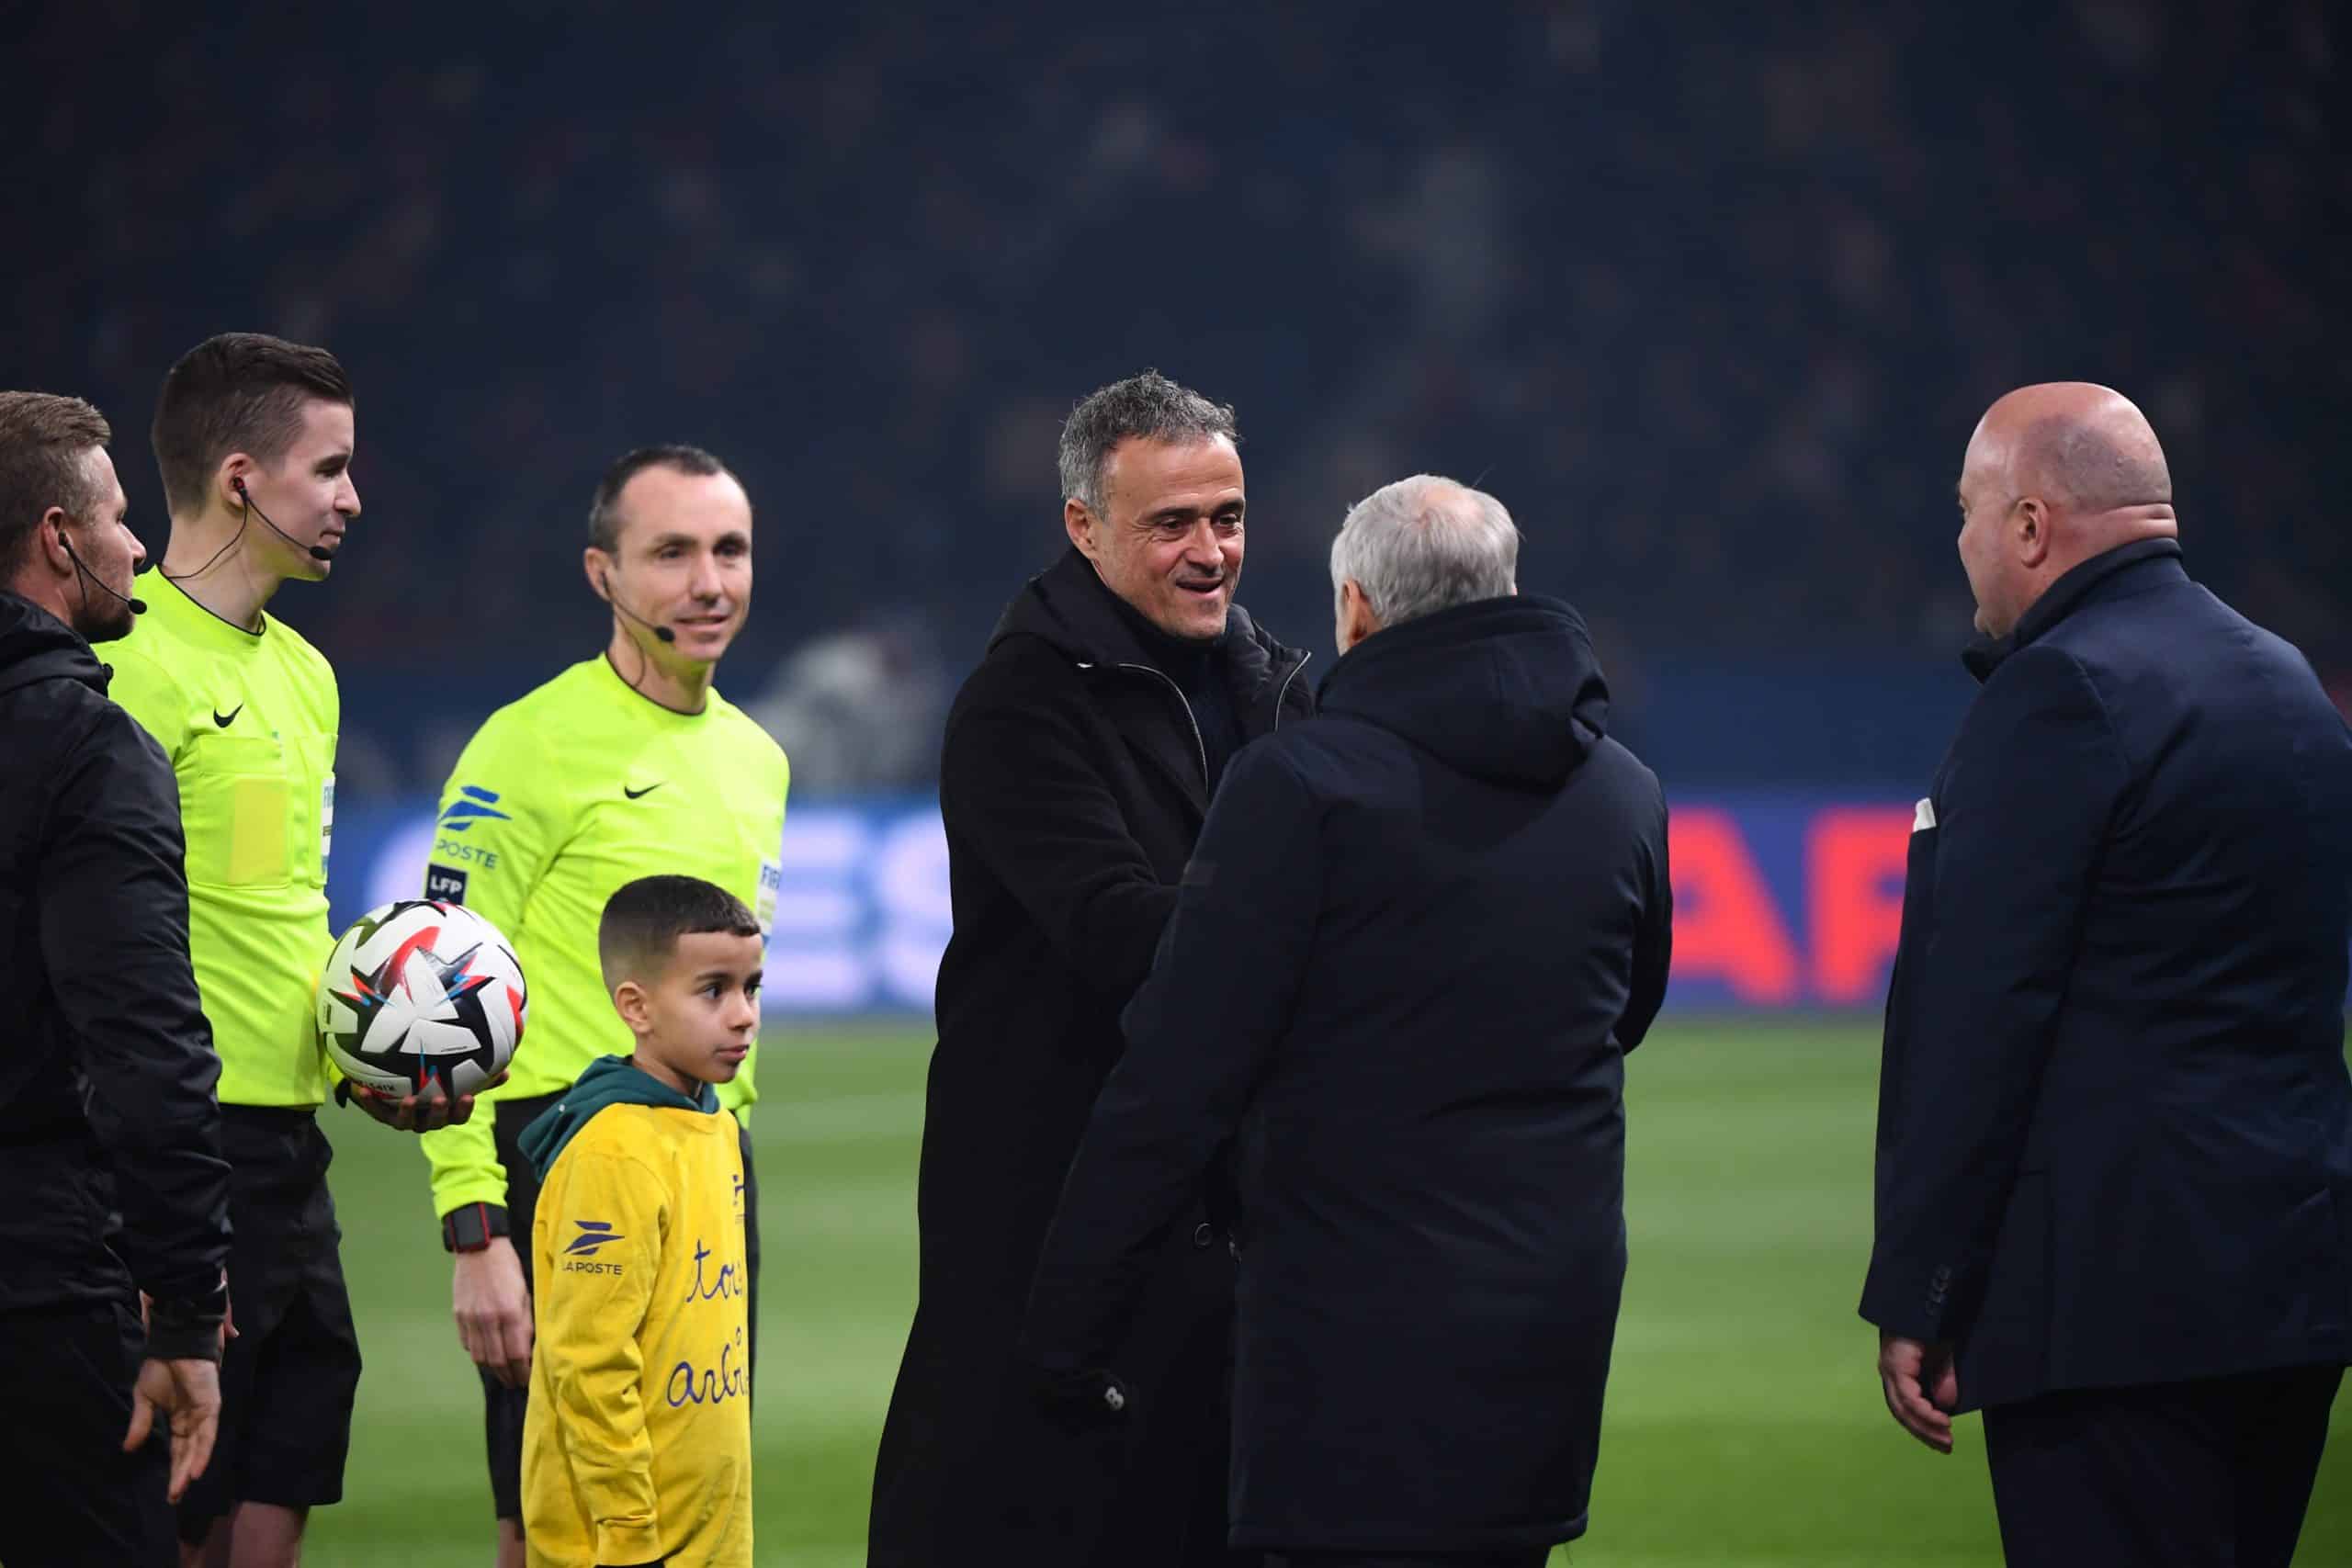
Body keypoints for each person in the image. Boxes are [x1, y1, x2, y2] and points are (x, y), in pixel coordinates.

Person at [1022, 476, 1673, 1568]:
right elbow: (1628, 1011)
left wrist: (1067, 1324)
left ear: (1357, 612)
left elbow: (1179, 1077)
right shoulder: (1624, 791)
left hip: (1350, 1334)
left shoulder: (1301, 785)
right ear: (1504, 589)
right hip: (1549, 1321)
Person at [1860, 383, 2352, 1567]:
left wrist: (1923, 1285)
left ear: (2030, 525)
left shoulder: (2060, 692)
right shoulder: (2285, 681)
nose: (1964, 545)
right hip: (2293, 1281)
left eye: (1970, 513)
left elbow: (1981, 1012)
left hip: (2114, 1301)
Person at [870, 370, 1316, 1568]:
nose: (1211, 549)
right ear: (1084, 525)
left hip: (1225, 1222)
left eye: (1226, 515)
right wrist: (1326, 939)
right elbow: (1123, 931)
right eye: (1172, 522)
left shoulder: (1274, 684)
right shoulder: (1020, 707)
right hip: (1053, 1219)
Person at [107, 332, 476, 1567]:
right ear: (240, 477)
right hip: (167, 1147)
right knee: (168, 1504)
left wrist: (387, 1041)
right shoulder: (120, 667)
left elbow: (273, 914)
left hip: (288, 1149)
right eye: (330, 468)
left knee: (285, 1470)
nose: (353, 500)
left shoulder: (309, 677)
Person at [418, 444, 789, 1564]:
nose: (708, 582)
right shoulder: (526, 746)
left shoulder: (757, 757)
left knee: (699, 1498)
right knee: (554, 1525)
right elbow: (434, 993)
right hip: (561, 1164)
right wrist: (474, 1226)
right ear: (602, 573)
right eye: (670, 553)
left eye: (729, 550)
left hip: (712, 1165)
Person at [0, 390, 233, 1564]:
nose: (137, 546)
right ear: (57, 538)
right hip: (36, 1288)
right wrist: (186, 1308)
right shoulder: (88, 747)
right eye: (120, 519)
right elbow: (146, 1049)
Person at [516, 875, 760, 1568]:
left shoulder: (715, 1127)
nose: (743, 1015)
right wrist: (627, 1532)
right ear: (636, 1006)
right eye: (714, 990)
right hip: (619, 1545)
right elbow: (589, 1362)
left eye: (752, 987)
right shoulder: (614, 1152)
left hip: (706, 1535)